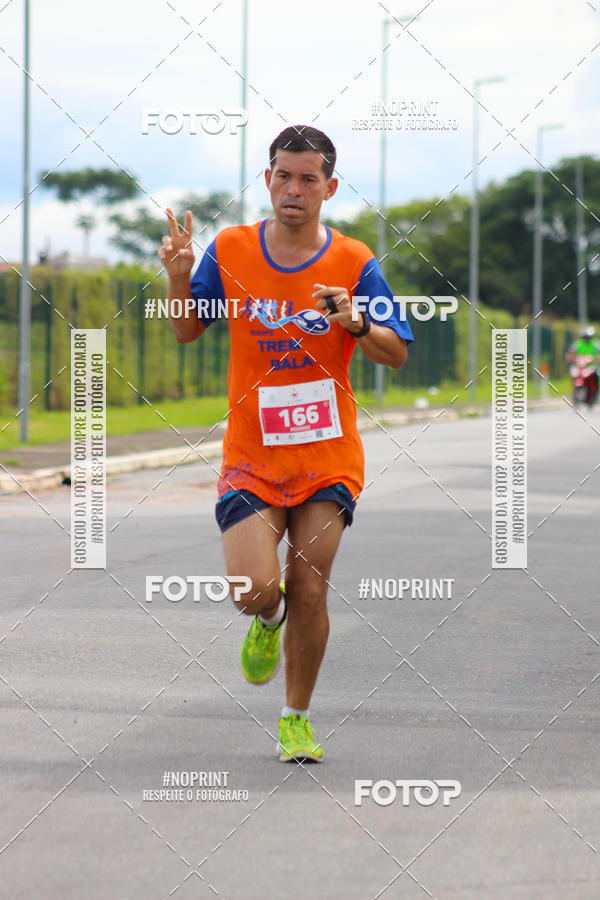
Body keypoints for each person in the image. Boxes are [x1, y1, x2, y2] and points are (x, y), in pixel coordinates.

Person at [159, 125, 413, 762]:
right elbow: (188, 331)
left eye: (307, 178)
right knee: (256, 591)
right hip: (252, 454)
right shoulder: (234, 248)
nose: (293, 189)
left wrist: (354, 318)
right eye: (282, 175)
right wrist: (179, 275)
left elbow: (398, 352)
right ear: (267, 179)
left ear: (329, 187)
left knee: (310, 587)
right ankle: (266, 624)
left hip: (327, 456)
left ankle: (296, 717)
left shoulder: (354, 261)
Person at [566, 326, 600, 405]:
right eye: (585, 337)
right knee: (574, 374)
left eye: (588, 337)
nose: (587, 339)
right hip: (580, 366)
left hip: (591, 366)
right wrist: (574, 359)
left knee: (595, 376)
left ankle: (594, 393)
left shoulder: (595, 344)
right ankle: (574, 394)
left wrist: (594, 359)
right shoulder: (577, 344)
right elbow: (569, 354)